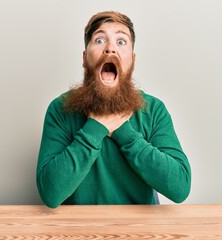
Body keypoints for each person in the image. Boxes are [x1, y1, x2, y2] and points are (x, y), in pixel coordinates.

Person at [36, 11, 191, 208]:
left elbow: (180, 187)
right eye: (100, 40)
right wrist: (96, 127)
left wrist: (124, 133)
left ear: (132, 59)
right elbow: (50, 193)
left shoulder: (153, 110)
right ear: (85, 58)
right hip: (79, 231)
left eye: (121, 41)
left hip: (139, 232)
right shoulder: (60, 109)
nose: (110, 49)